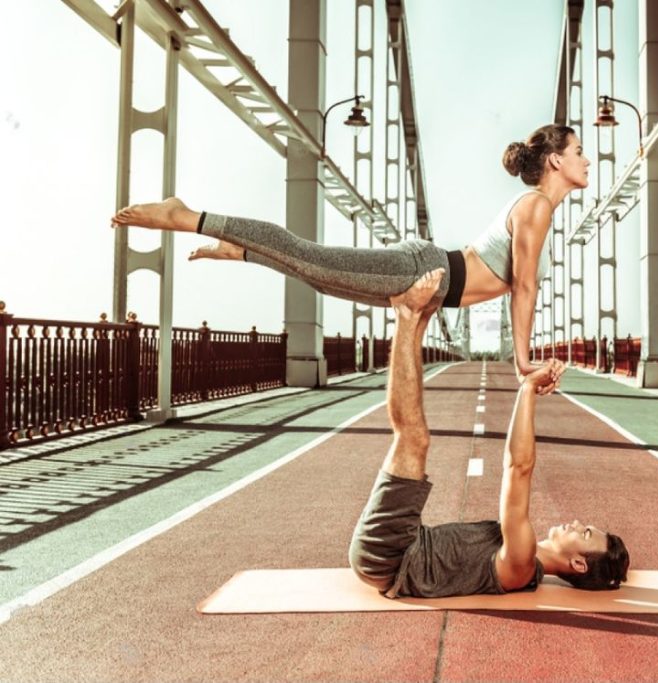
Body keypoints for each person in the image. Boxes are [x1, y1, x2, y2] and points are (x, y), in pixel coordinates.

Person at [110, 124, 589, 385]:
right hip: (426, 269)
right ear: (555, 160)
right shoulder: (536, 207)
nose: (587, 160)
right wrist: (522, 360)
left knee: (318, 276)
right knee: (309, 255)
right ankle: (188, 215)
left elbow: (511, 286)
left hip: (432, 284)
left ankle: (243, 251)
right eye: (579, 151)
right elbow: (522, 287)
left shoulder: (536, 207)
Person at [346, 268, 629, 598]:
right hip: (405, 543)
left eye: (586, 533)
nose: (579, 523)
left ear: (579, 564)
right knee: (414, 440)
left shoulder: (522, 563)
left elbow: (518, 468)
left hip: (391, 555)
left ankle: (407, 313)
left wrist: (528, 390)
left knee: (414, 440)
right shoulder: (523, 554)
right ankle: (417, 318)